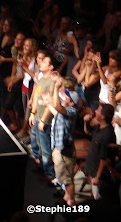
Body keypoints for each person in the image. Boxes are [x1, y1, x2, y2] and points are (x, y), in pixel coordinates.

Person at [41, 75, 79, 206]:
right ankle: (66, 198)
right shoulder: (64, 111)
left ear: (71, 102)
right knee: (64, 178)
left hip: (65, 150)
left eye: (66, 98)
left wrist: (57, 87)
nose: (64, 98)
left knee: (68, 180)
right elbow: (56, 111)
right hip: (59, 147)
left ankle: (71, 203)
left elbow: (58, 107)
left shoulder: (71, 111)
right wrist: (47, 102)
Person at [29, 56, 56, 181]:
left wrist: (43, 120)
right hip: (37, 118)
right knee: (39, 146)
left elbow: (50, 103)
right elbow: (37, 96)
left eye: (44, 62)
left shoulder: (52, 82)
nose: (41, 63)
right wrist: (32, 114)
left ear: (51, 67)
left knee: (46, 149)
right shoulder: (41, 78)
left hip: (45, 122)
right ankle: (42, 168)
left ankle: (49, 173)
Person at [83, 103, 116, 200]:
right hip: (93, 171)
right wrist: (86, 122)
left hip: (99, 175)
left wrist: (97, 176)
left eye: (98, 110)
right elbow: (88, 133)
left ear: (102, 116)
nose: (95, 111)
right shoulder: (99, 128)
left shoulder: (107, 134)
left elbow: (104, 157)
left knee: (99, 198)